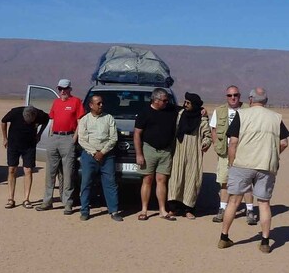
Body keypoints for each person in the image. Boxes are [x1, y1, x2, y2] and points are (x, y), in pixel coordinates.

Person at [217, 86, 289, 253]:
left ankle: (224, 237)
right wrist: (273, 154)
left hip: (242, 164)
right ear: (266, 101)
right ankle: (265, 242)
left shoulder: (241, 115)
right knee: (264, 203)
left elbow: (233, 142)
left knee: (233, 201)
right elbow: (284, 142)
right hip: (266, 166)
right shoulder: (276, 118)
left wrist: (231, 162)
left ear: (250, 100)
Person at [36, 78, 85, 214]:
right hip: (54, 138)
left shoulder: (76, 102)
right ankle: (47, 201)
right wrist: (51, 135)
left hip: (68, 138)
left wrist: (74, 138)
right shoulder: (56, 102)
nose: (62, 91)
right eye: (60, 89)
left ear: (70, 89)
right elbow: (52, 119)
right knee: (50, 172)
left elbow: (80, 121)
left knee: (68, 172)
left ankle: (67, 203)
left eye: (65, 89)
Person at [209, 86, 254, 223]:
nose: (233, 98)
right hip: (225, 152)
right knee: (224, 181)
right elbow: (214, 129)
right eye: (230, 95)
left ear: (240, 96)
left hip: (243, 152)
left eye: (235, 95)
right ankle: (222, 209)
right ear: (226, 96)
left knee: (246, 182)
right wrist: (216, 145)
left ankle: (250, 210)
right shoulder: (220, 111)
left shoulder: (248, 110)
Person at [134, 88, 179, 220]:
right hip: (149, 149)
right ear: (155, 100)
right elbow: (137, 134)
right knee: (147, 180)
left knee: (162, 181)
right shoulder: (145, 113)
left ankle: (162, 210)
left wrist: (201, 110)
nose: (167, 102)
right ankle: (144, 210)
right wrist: (139, 154)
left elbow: (186, 110)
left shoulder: (171, 109)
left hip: (166, 151)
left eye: (167, 100)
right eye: (164, 100)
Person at [76, 95, 123, 222]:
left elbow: (113, 138)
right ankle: (84, 211)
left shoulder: (109, 118)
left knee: (110, 183)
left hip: (107, 156)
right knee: (86, 183)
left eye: (102, 103)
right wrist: (93, 152)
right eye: (98, 103)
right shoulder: (85, 120)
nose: (101, 105)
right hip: (89, 156)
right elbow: (82, 139)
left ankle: (114, 211)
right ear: (91, 105)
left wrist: (102, 152)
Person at [167, 92, 211, 219]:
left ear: (195, 105)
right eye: (185, 102)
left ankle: (188, 209)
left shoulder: (201, 119)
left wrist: (205, 142)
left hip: (193, 152)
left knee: (191, 180)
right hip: (178, 151)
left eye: (188, 103)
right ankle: (174, 209)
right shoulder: (181, 114)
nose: (185, 104)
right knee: (175, 179)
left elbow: (207, 135)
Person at [1, 105, 48, 208]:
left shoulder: (39, 114)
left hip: (29, 146)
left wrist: (39, 134)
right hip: (13, 144)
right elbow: (3, 121)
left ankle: (26, 199)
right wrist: (5, 138)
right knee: (12, 169)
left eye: (30, 122)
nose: (28, 124)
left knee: (28, 170)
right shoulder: (15, 112)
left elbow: (46, 120)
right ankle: (11, 199)